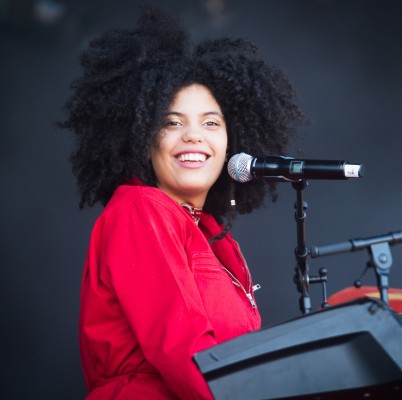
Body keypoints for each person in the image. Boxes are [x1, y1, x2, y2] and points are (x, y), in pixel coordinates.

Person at [60, 7, 304, 399]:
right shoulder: (141, 208)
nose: (193, 136)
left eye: (211, 123)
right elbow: (183, 351)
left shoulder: (210, 234)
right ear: (142, 137)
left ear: (231, 142)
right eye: (172, 122)